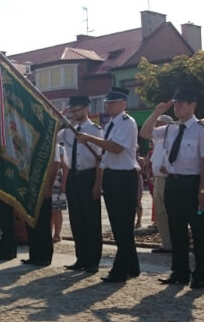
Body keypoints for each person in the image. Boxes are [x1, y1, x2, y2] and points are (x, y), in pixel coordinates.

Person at [139, 88, 204, 289]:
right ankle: (180, 272)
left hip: (192, 183)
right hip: (172, 183)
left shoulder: (202, 130)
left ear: (193, 105)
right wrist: (157, 112)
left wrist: (202, 190)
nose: (178, 107)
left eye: (182, 103)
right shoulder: (170, 129)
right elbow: (145, 132)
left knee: (198, 231)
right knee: (176, 230)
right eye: (176, 103)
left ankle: (200, 274)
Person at [78, 87, 140, 282]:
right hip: (112, 176)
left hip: (124, 177)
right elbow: (105, 156)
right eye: (107, 102)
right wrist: (100, 180)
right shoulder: (111, 124)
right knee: (118, 225)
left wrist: (90, 138)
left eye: (112, 102)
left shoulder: (127, 122)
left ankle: (120, 270)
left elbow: (116, 148)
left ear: (123, 104)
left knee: (123, 225)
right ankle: (132, 265)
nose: (108, 105)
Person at [59, 96, 103, 274]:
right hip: (73, 177)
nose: (73, 113)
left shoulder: (96, 130)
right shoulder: (68, 130)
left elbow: (101, 160)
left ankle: (93, 260)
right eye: (71, 110)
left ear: (86, 109)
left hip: (89, 176)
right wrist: (58, 118)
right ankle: (81, 258)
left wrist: (97, 184)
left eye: (76, 110)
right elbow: (52, 138)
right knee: (77, 220)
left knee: (91, 220)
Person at [148, 115, 174, 253]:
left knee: (169, 212)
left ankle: (173, 242)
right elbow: (146, 131)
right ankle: (166, 243)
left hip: (167, 178)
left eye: (160, 124)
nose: (157, 126)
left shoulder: (172, 138)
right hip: (158, 178)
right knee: (160, 213)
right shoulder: (157, 140)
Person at [51, 143, 68, 243]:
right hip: (46, 183)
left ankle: (57, 234)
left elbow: (65, 167)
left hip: (57, 182)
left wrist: (64, 183)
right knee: (49, 211)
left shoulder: (59, 147)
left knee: (56, 210)